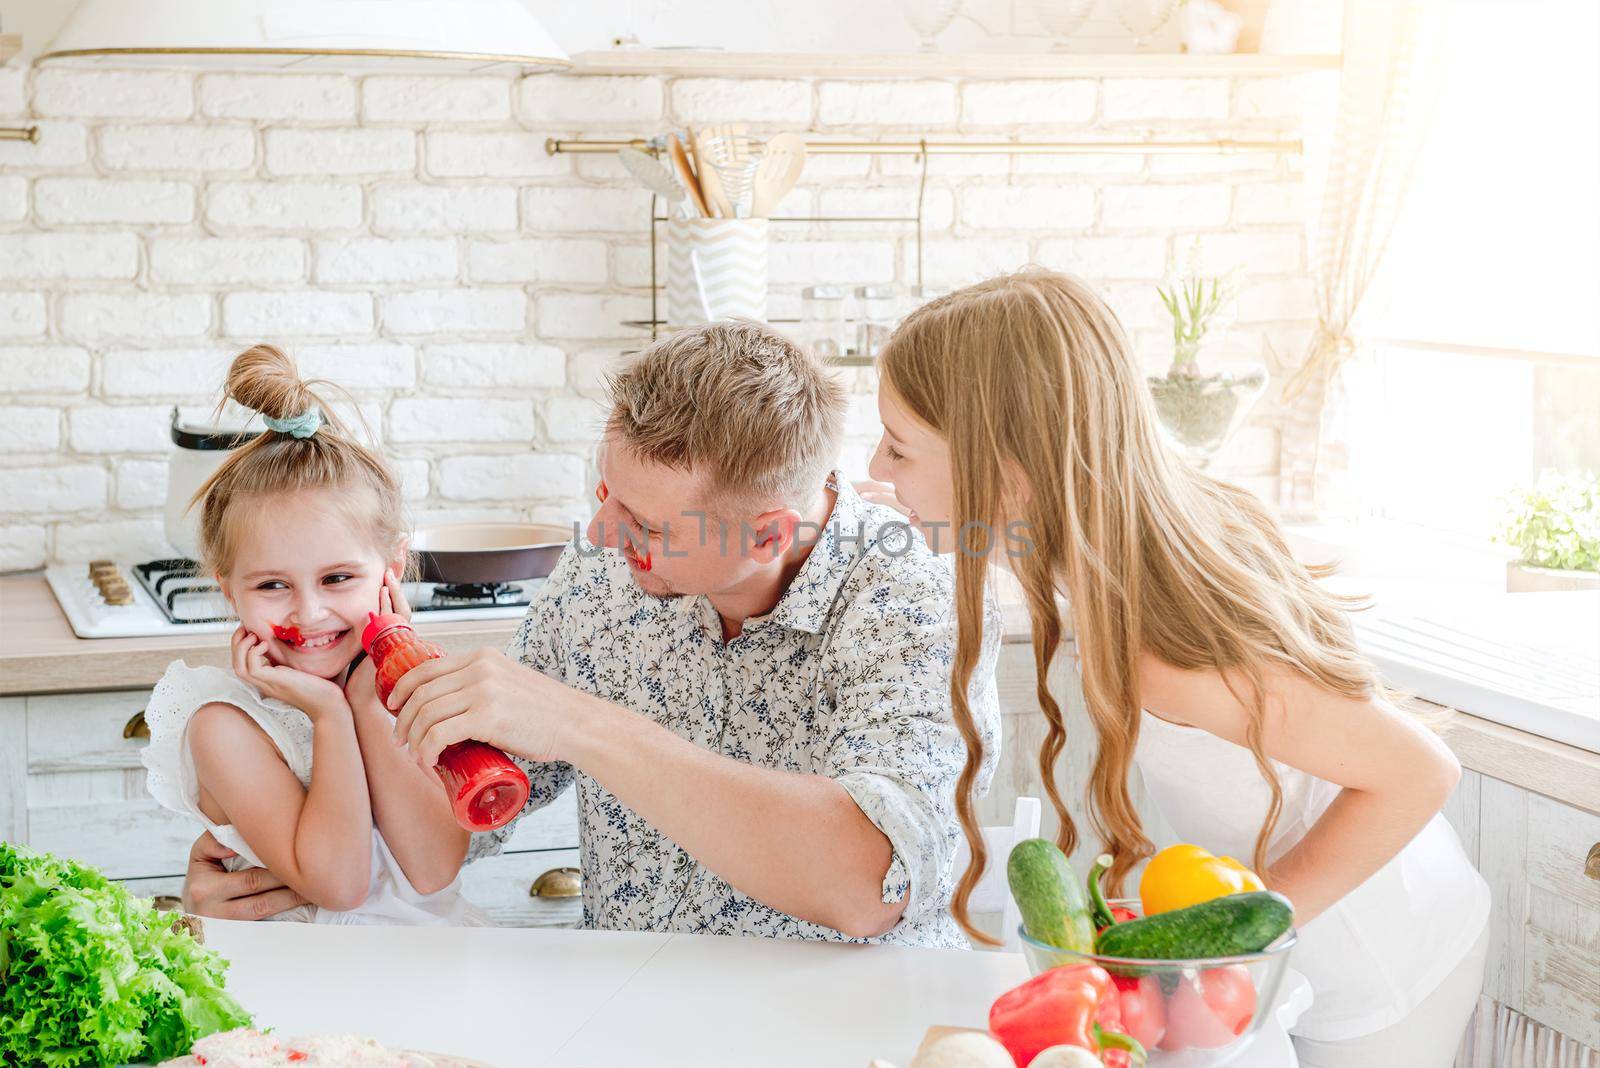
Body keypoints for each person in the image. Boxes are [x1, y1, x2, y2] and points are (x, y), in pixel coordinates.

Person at [188, 320, 1001, 948]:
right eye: (605, 491)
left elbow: (874, 884)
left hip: (849, 1034)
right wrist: (275, 861)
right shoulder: (606, 572)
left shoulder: (914, 598)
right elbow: (470, 813)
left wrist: (582, 725)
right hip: (626, 1016)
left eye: (644, 523)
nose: (604, 535)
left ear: (765, 536)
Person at [868, 270, 1490, 1064]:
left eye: (899, 446)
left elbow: (1418, 772)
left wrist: (1236, 936)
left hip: (1382, 958)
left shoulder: (1170, 645)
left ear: (1010, 469)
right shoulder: (1117, 554)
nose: (879, 469)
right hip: (1296, 950)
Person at [145, 344, 485, 926]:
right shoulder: (224, 726)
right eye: (272, 585)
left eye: (338, 578)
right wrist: (329, 715)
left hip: (435, 973)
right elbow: (340, 883)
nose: (309, 613)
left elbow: (433, 870)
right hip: (310, 992)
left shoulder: (411, 690)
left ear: (392, 571)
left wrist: (367, 697)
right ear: (229, 591)